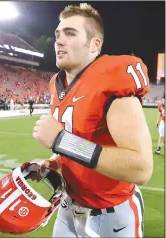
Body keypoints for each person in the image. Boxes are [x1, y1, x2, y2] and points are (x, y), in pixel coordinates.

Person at [29, 3, 153, 238]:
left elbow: (141, 168)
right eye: (57, 34)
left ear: (95, 45)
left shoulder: (111, 77)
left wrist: (60, 140)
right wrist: (53, 163)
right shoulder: (57, 83)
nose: (59, 40)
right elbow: (76, 143)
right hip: (67, 208)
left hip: (111, 216)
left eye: (70, 33)